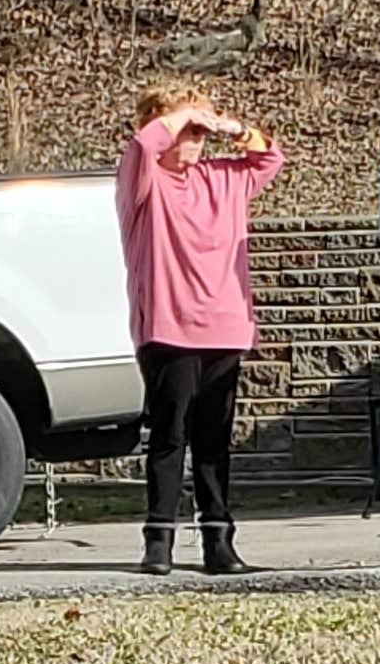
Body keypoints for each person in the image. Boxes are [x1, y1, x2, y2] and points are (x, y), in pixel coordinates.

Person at [114, 75, 285, 576]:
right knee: (170, 435)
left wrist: (228, 126)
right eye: (186, 132)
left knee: (215, 439)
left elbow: (269, 158)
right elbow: (141, 146)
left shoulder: (223, 178)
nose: (194, 141)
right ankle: (158, 540)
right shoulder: (145, 184)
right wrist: (177, 118)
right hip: (168, 327)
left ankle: (219, 542)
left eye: (199, 134)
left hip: (225, 326)